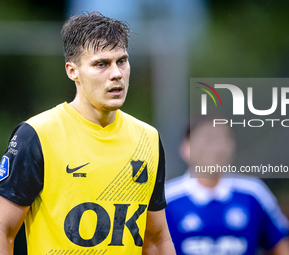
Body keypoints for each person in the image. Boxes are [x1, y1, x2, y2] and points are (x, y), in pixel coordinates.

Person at [0, 11, 176, 255]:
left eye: (122, 61)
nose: (116, 73)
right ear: (72, 71)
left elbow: (156, 239)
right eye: (101, 64)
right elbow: (3, 229)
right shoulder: (37, 135)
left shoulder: (148, 139)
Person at [165, 118, 289, 255]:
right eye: (208, 139)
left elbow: (282, 246)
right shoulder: (166, 199)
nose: (217, 147)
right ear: (186, 148)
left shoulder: (253, 194)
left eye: (224, 138)